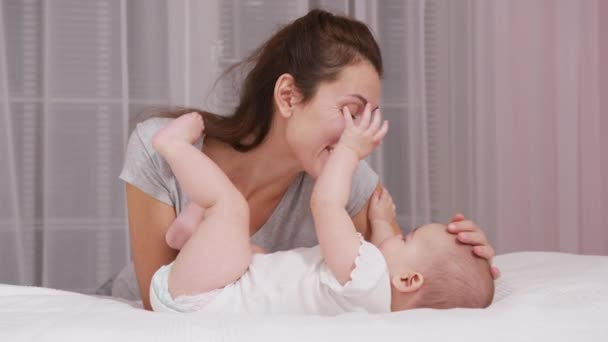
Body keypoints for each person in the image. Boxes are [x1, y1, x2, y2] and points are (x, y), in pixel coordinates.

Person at [115, 9, 499, 310]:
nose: (359, 135)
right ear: (288, 97)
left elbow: (404, 275)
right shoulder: (158, 148)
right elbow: (155, 298)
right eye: (352, 111)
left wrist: (470, 259)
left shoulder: (352, 181)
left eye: (369, 117)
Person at [148, 110, 493, 314]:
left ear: (408, 280)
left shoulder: (368, 278)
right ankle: (193, 235)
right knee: (257, 256)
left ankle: (174, 148)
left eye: (408, 237)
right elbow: (386, 250)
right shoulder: (375, 301)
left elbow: (326, 204)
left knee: (230, 205)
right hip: (205, 291)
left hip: (201, 299)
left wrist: (349, 151)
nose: (399, 235)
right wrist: (382, 224)